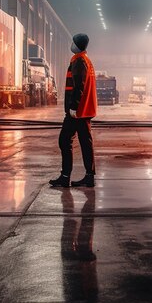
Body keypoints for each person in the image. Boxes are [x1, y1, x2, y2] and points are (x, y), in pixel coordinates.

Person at [50, 33, 98, 188]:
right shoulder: (86, 61)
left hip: (77, 112)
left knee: (64, 141)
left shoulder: (79, 61)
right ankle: (88, 177)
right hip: (84, 110)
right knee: (85, 143)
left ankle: (65, 177)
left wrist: (73, 107)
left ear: (77, 45)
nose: (71, 44)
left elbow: (79, 86)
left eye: (73, 42)